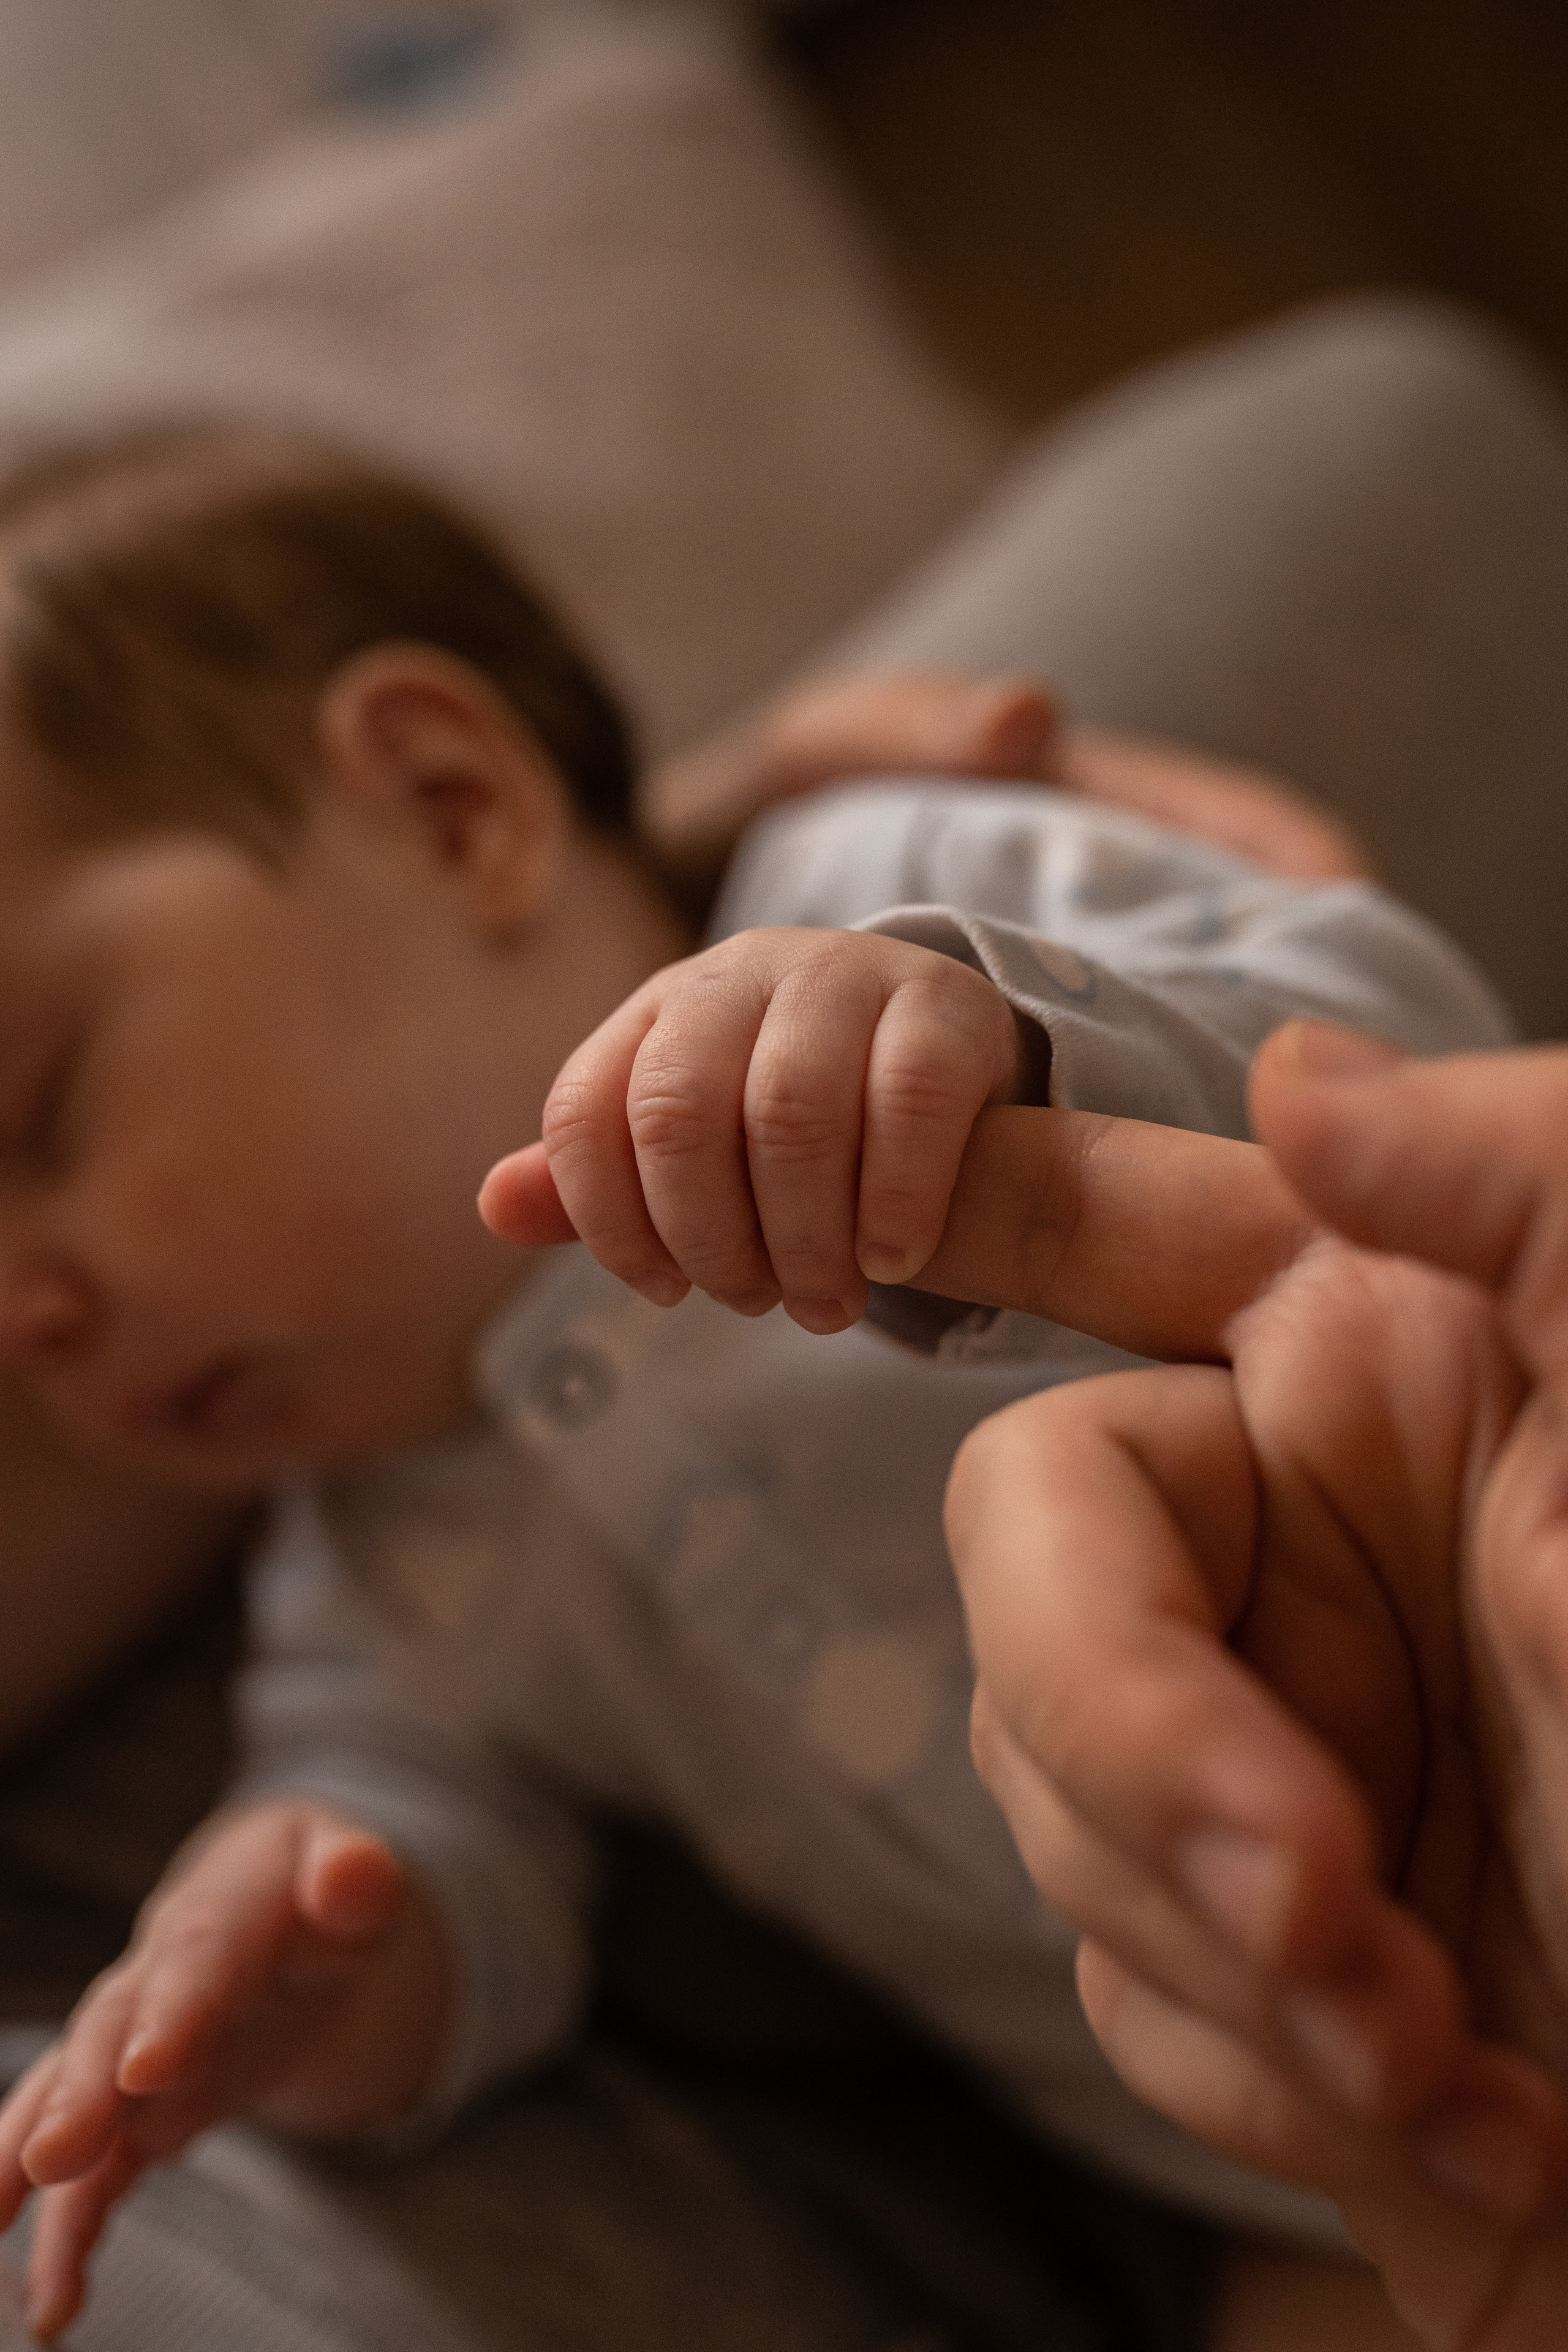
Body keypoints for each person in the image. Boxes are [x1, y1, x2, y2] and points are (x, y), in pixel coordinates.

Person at [0, 417, 1501, 2345]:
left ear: (453, 807)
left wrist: (1009, 1044)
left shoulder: (874, 886)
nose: (20, 1319)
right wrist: (314, 1964)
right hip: (1322, 2173)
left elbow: (1406, 1058)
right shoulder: (377, 1562)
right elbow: (452, 1866)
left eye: (33, 1112)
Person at [929, 1031, 1568, 2351]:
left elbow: (1346, 1006)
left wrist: (971, 1018)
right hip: (1198, 2155)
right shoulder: (407, 1591)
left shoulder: (850, 867)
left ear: (461, 820)